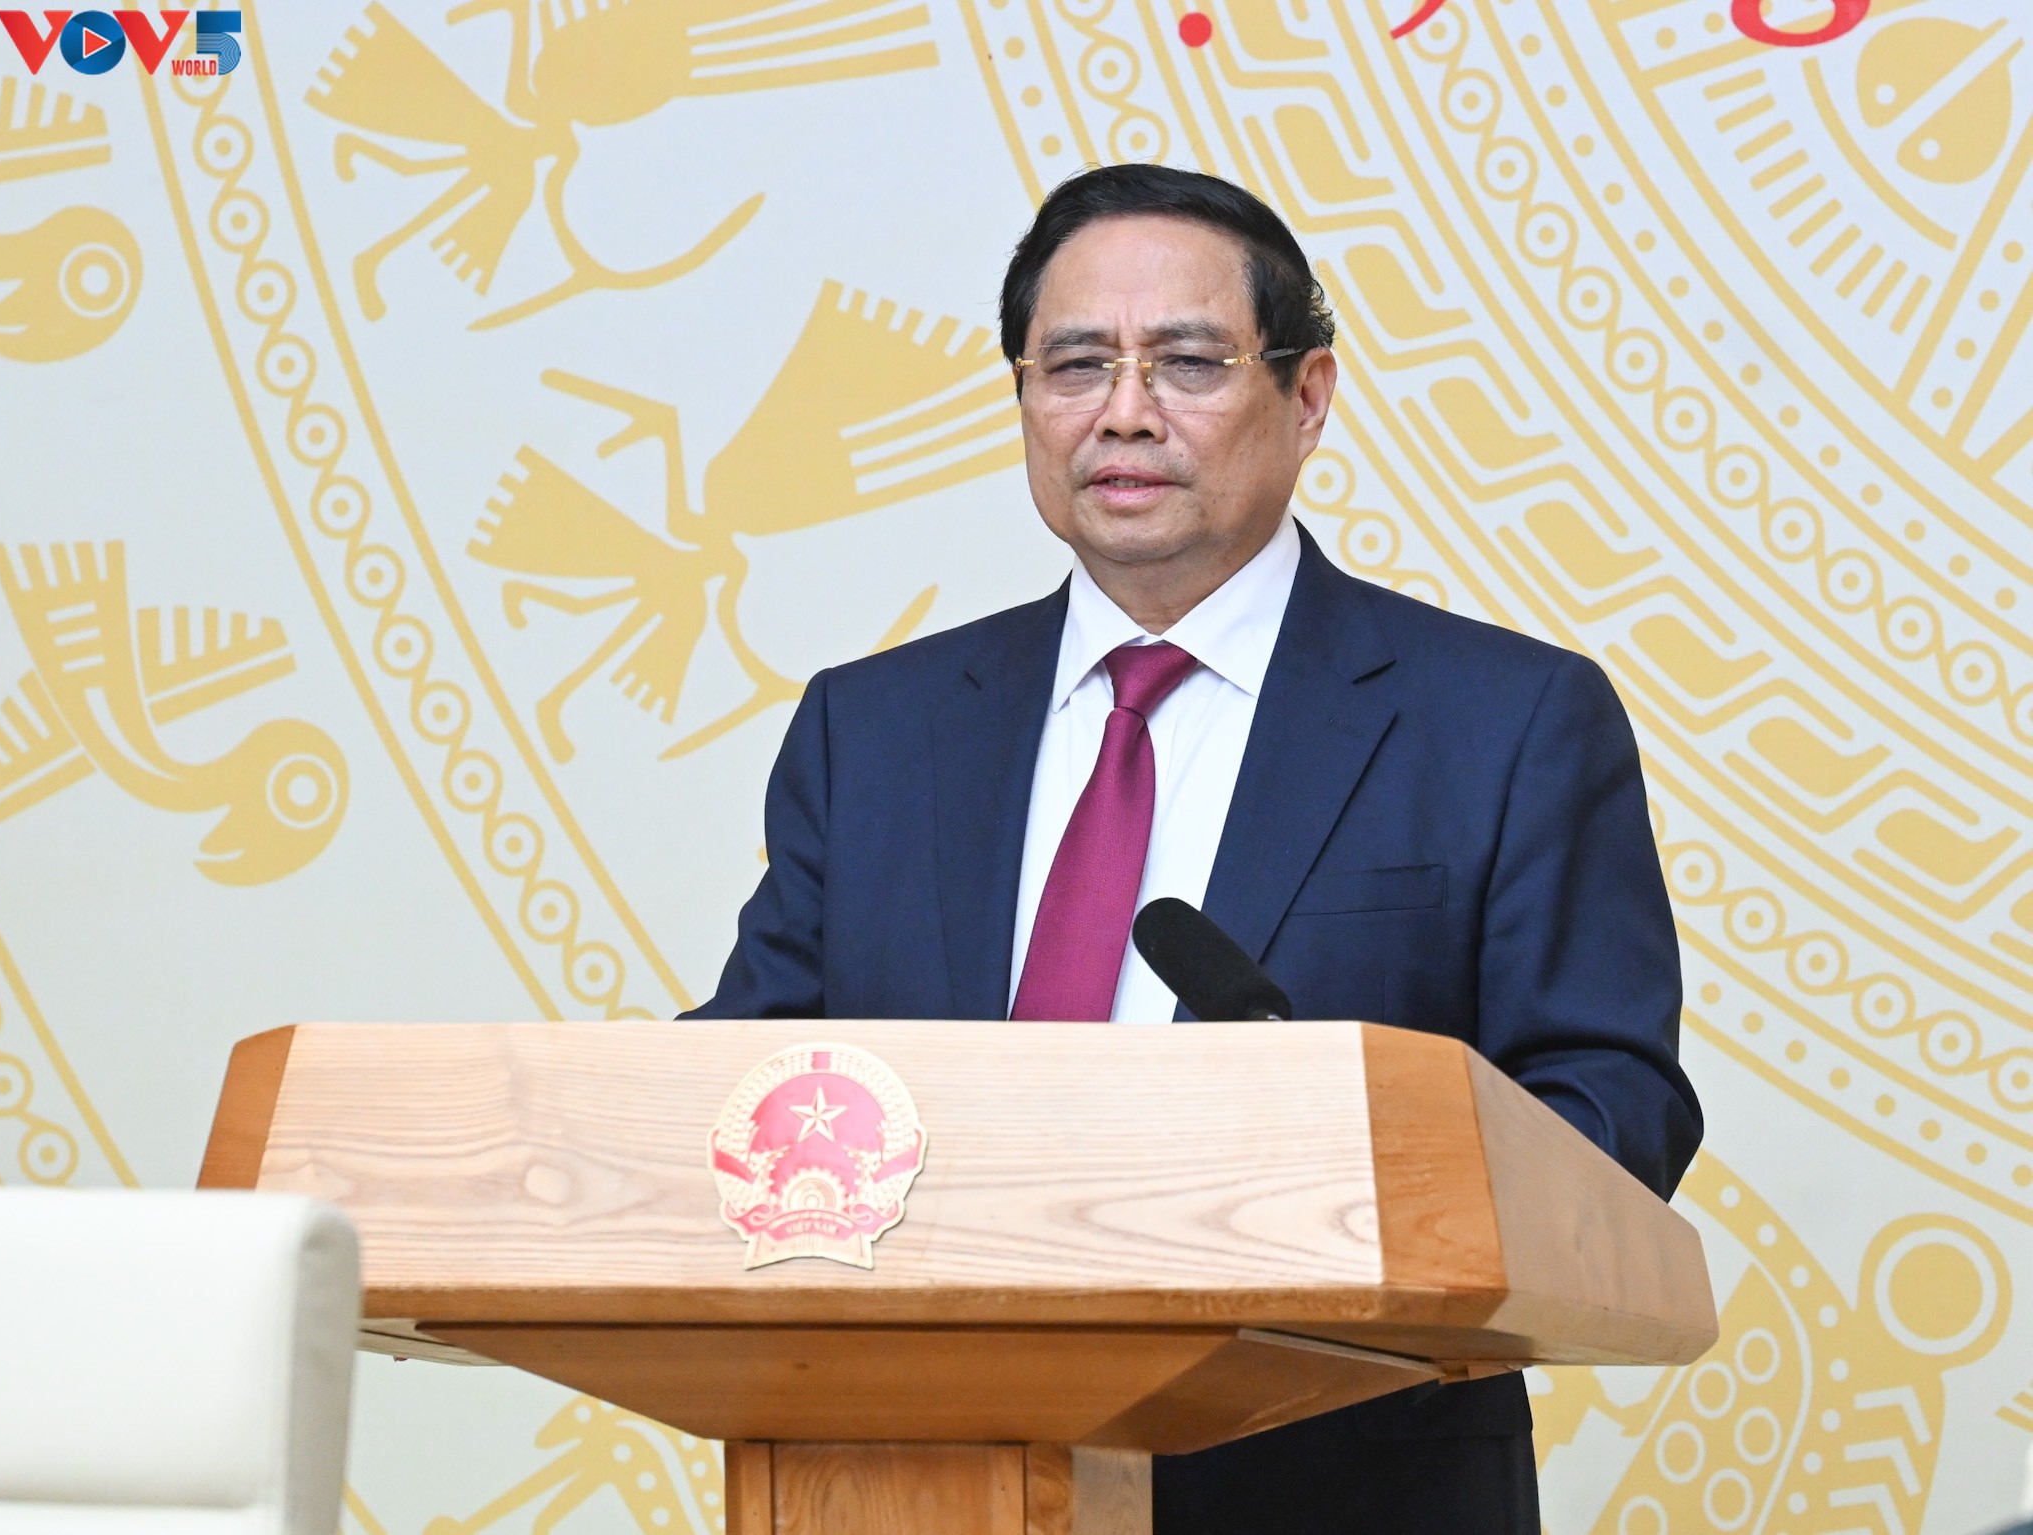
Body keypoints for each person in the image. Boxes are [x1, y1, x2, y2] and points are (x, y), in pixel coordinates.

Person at [686, 163, 1702, 1535]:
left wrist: (1342, 1208)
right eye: (1075, 365)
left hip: (1338, 1488)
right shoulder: (873, 733)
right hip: (912, 1475)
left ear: (1309, 397)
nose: (1124, 412)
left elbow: (1610, 1109)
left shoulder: (1503, 722)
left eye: (1187, 363)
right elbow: (749, 1088)